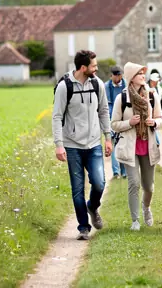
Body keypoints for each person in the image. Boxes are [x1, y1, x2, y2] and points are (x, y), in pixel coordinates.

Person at [52, 50, 112, 241]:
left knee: (99, 183)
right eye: (94, 66)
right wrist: (59, 145)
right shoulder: (64, 87)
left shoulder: (97, 84)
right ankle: (83, 227)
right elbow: (57, 116)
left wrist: (108, 137)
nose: (97, 68)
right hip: (72, 146)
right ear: (83, 67)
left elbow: (103, 110)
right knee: (77, 188)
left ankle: (92, 207)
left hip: (94, 143)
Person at [111, 62, 162, 231]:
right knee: (134, 183)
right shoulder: (122, 98)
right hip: (129, 147)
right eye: (139, 73)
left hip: (148, 146)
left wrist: (154, 122)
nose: (143, 76)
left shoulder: (152, 96)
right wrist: (129, 122)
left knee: (149, 186)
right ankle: (135, 220)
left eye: (143, 73)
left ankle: (146, 207)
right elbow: (114, 124)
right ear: (131, 78)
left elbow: (161, 119)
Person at [105, 65, 127, 179]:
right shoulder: (106, 86)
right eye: (116, 75)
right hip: (112, 118)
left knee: (122, 144)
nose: (118, 78)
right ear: (112, 76)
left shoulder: (126, 85)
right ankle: (115, 172)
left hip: (124, 118)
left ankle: (124, 172)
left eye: (120, 75)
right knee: (114, 143)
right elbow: (106, 105)